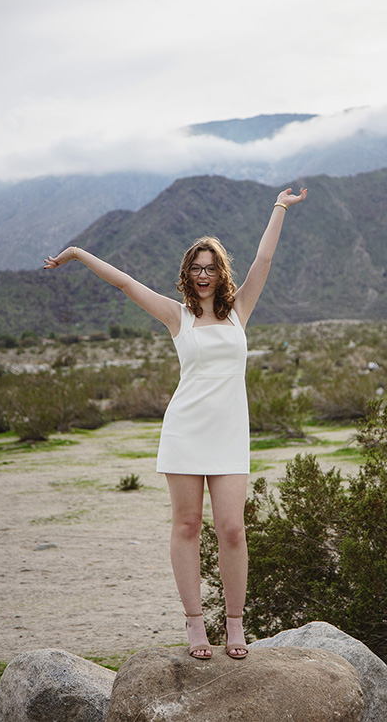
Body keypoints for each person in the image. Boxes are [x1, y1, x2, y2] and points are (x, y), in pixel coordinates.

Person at [44, 187, 307, 659]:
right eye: (196, 268)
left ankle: (234, 624)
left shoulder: (239, 311)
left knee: (232, 529)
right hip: (185, 430)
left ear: (219, 273)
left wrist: (279, 209)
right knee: (187, 525)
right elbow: (125, 283)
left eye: (211, 268)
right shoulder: (177, 316)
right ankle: (194, 626)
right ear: (187, 274)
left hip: (229, 435)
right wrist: (80, 253)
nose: (203, 275)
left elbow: (263, 261)